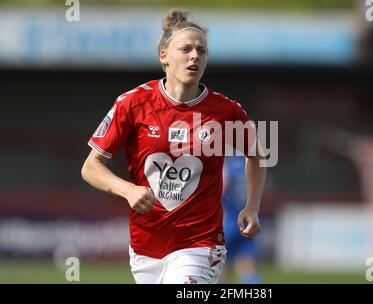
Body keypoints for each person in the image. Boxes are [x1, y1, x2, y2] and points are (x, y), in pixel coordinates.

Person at [81, 9, 266, 284]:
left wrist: (252, 207)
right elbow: (90, 167)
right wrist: (128, 189)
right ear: (163, 55)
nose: (195, 56)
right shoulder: (132, 104)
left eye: (202, 50)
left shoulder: (226, 111)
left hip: (201, 243)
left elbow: (257, 155)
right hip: (146, 247)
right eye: (186, 49)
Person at [221, 156, 262, 284]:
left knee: (221, 270)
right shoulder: (249, 166)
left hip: (227, 222)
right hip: (246, 222)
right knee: (248, 267)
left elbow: (221, 190)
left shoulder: (227, 167)